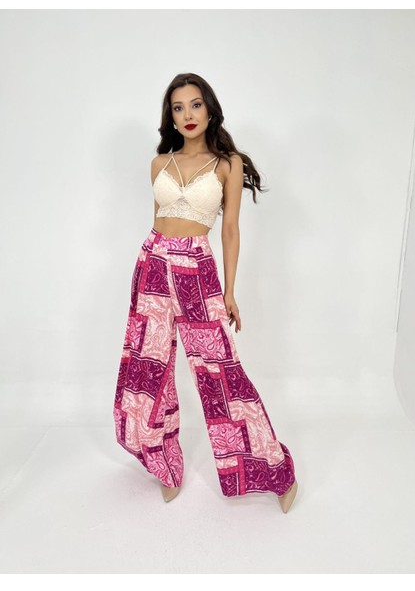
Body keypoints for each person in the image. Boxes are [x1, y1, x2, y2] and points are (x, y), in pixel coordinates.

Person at [113, 72, 298, 513]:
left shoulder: (226, 164)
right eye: (178, 108)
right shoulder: (159, 164)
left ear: (209, 109)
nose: (188, 115)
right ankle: (164, 464)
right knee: (150, 369)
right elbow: (158, 220)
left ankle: (274, 470)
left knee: (220, 372)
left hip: (197, 269)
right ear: (171, 117)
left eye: (195, 104)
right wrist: (148, 272)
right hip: (153, 264)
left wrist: (229, 292)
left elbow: (230, 230)